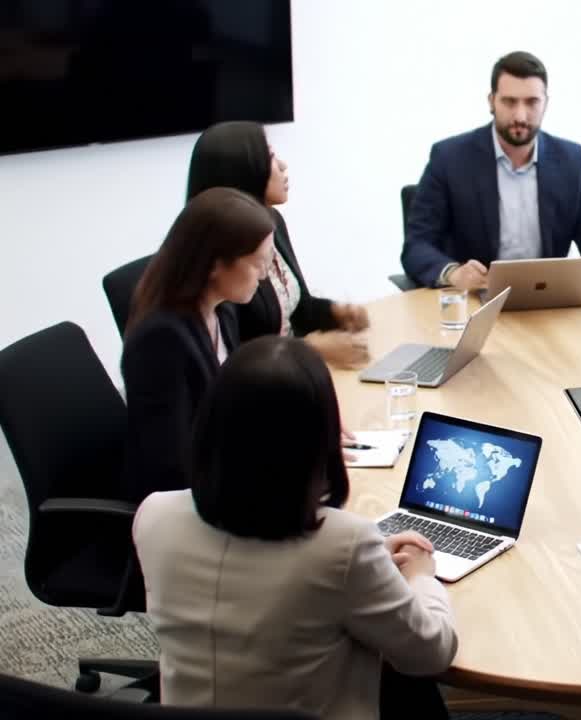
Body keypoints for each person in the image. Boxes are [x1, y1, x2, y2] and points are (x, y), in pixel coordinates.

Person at [133, 336, 457, 720]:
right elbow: (431, 653)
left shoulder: (154, 515)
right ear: (319, 441)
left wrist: (371, 568)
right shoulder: (344, 544)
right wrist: (421, 578)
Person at [401, 51, 581, 293]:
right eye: (509, 102)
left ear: (546, 103)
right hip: (476, 302)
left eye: (532, 102)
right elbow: (416, 246)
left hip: (548, 301)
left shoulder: (571, 160)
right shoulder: (449, 158)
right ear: (491, 101)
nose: (520, 115)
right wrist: (454, 274)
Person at [121, 187, 275, 501]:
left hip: (220, 477)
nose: (263, 276)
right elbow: (172, 467)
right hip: (186, 504)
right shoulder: (161, 340)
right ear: (215, 264)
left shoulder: (222, 311)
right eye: (257, 263)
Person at [186, 121, 371, 369]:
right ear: (244, 171)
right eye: (271, 157)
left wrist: (335, 312)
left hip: (292, 370)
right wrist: (311, 349)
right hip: (264, 379)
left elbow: (297, 308)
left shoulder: (273, 222)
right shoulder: (223, 251)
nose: (282, 165)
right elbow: (232, 351)